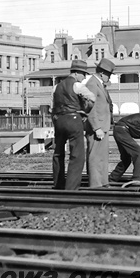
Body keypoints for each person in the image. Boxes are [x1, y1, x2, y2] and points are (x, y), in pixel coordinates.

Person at [51, 59, 96, 190]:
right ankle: (71, 188)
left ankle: (58, 184)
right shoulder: (78, 86)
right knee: (77, 155)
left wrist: (56, 121)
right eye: (83, 74)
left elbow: (52, 108)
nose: (84, 78)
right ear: (76, 73)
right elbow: (92, 98)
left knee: (58, 153)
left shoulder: (56, 87)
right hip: (73, 119)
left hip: (59, 120)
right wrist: (85, 111)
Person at [84, 58, 115, 188]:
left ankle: (103, 181)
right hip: (97, 127)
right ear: (102, 73)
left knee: (102, 156)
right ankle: (95, 184)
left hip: (103, 125)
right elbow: (90, 109)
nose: (109, 77)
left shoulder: (99, 84)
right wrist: (96, 128)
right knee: (95, 156)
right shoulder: (92, 84)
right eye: (108, 74)